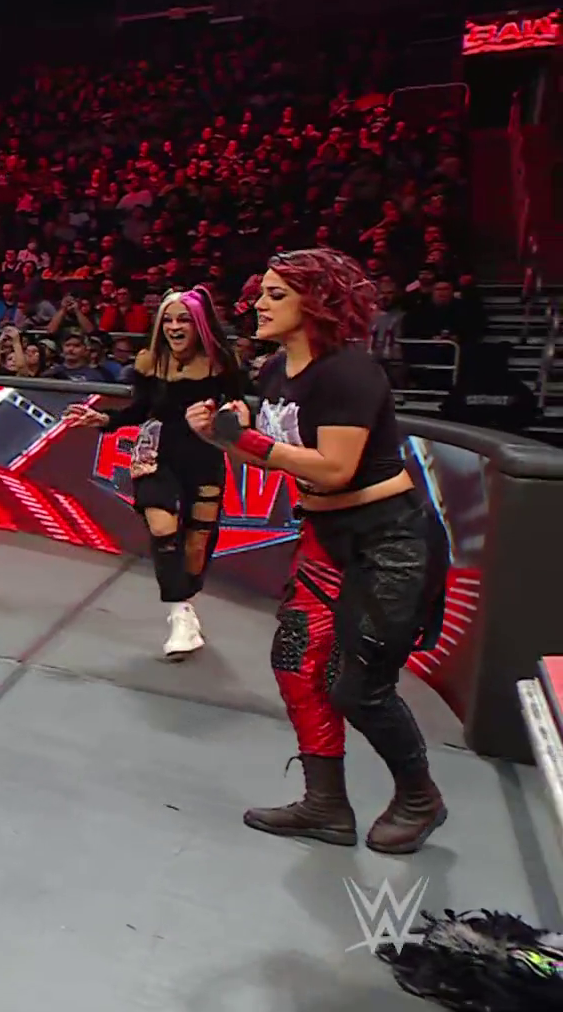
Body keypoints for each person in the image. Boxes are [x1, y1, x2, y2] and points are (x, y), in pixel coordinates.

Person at [187, 248, 450, 854]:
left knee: (358, 686)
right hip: (326, 538)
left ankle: (420, 797)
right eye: (262, 292)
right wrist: (218, 437)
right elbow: (276, 459)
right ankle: (325, 805)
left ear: (317, 302)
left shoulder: (349, 372)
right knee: (296, 662)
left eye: (275, 294)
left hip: (390, 542)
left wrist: (245, 437)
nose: (258, 303)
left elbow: (334, 468)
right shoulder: (276, 372)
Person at [64, 286, 248, 659]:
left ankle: (186, 606)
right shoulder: (150, 361)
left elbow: (242, 407)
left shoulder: (221, 362)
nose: (174, 327)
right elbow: (141, 408)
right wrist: (105, 419)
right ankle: (178, 613)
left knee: (196, 546)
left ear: (199, 324)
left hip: (204, 455)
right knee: (162, 525)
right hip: (155, 451)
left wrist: (230, 419)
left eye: (183, 320)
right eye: (168, 320)